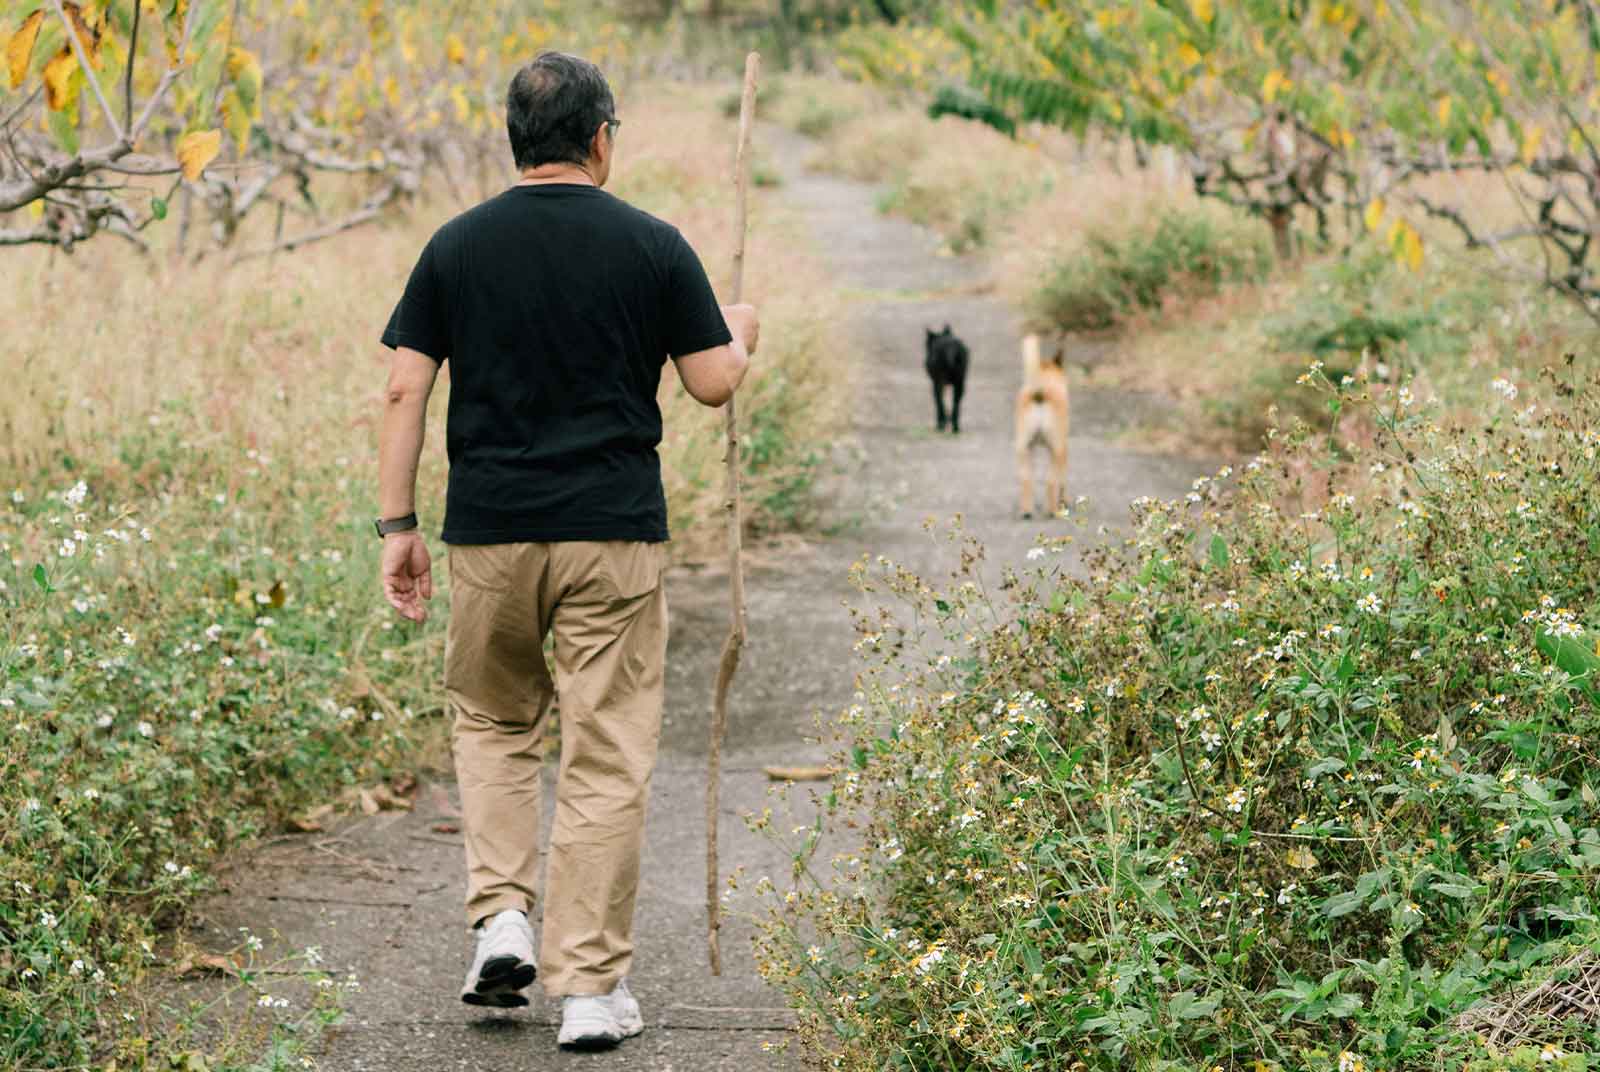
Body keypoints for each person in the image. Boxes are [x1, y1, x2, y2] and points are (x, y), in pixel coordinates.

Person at [373, 50, 758, 1051]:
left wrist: (397, 526)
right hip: (612, 534)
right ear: (600, 140)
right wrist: (744, 334)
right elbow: (714, 382)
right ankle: (587, 988)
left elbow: (401, 391)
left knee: (496, 724)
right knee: (603, 751)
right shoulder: (653, 244)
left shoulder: (455, 247)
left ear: (515, 140)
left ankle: (503, 918)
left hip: (489, 534)